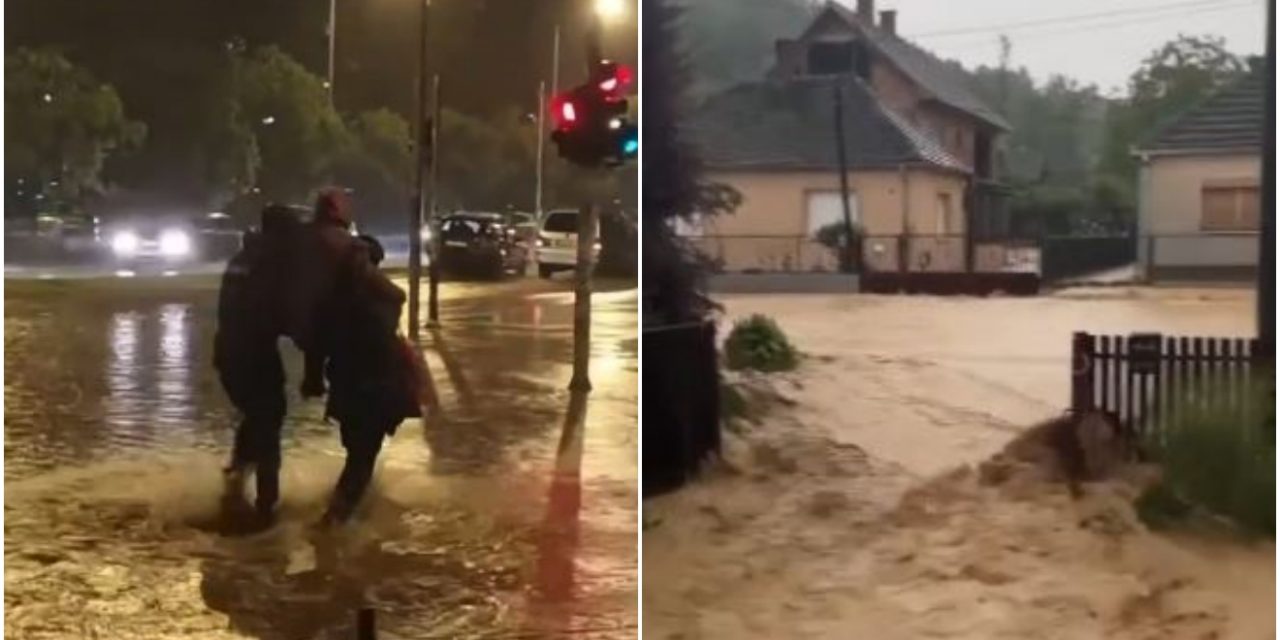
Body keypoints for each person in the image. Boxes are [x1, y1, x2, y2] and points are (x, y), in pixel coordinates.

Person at [313, 233, 422, 525]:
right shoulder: (375, 299)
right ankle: (335, 520)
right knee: (362, 457)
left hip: (348, 386)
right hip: (372, 387)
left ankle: (340, 510)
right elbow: (396, 300)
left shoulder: (333, 297)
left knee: (357, 453)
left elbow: (318, 342)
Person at [213, 204, 301, 522]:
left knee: (260, 418)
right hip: (251, 356)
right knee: (268, 423)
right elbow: (276, 313)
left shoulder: (247, 258)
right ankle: (267, 507)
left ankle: (235, 482)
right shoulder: (265, 264)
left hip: (232, 355)